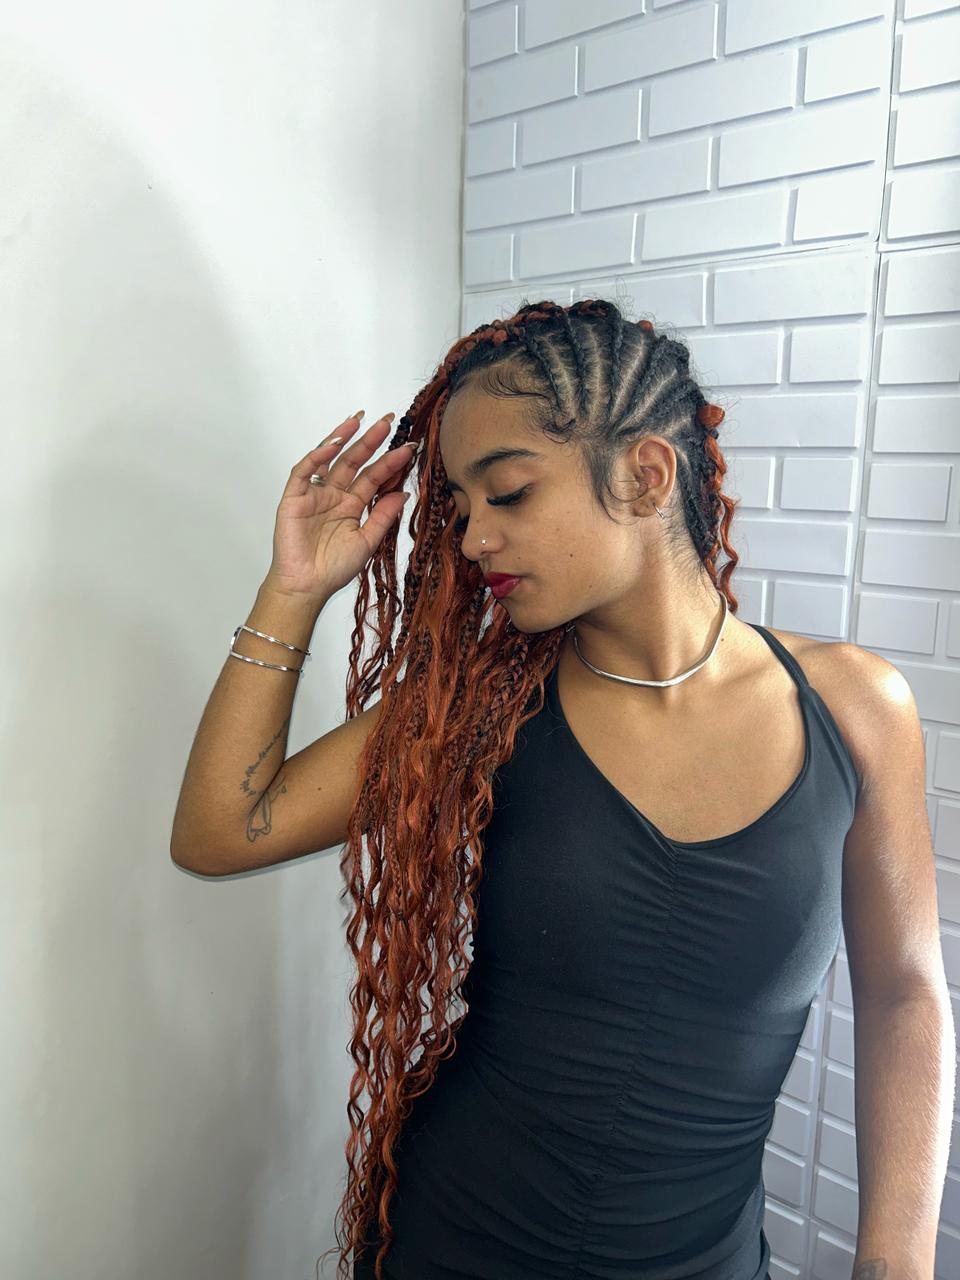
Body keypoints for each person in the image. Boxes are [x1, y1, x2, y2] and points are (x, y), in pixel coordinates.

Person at [172, 299, 858, 1280]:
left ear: (646, 475)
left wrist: (895, 1257)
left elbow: (906, 994)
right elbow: (220, 829)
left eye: (508, 493)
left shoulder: (851, 707)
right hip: (455, 1241)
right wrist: (293, 590)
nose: (473, 539)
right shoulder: (483, 712)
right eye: (461, 507)